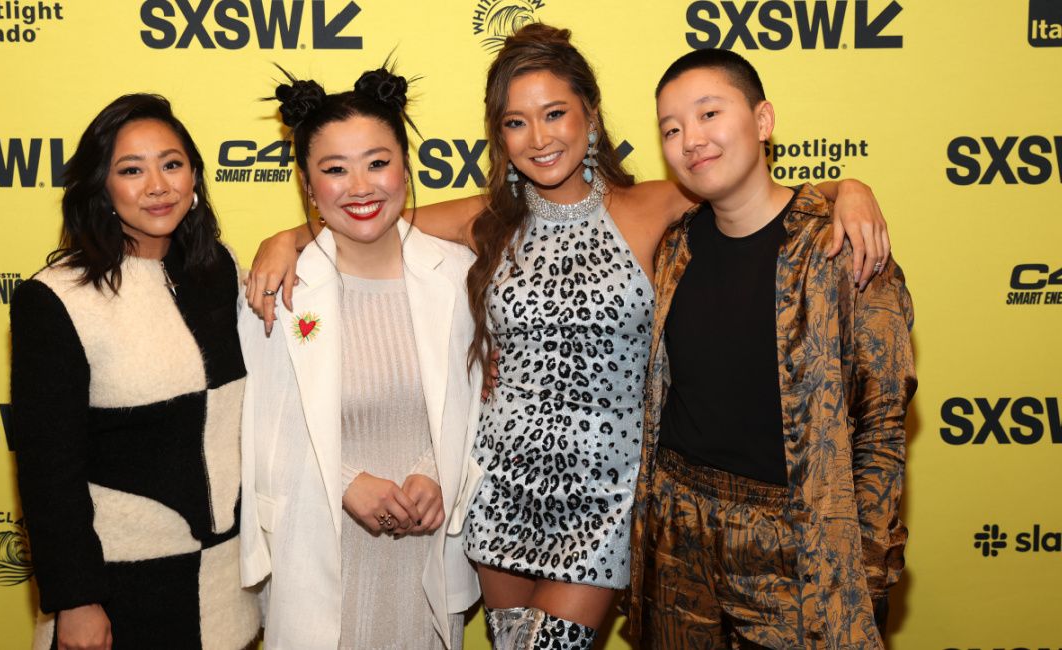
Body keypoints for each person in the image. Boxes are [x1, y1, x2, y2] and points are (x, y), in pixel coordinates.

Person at [245, 24, 892, 649]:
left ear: (591, 114)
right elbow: (375, 215)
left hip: (603, 498)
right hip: (499, 486)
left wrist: (846, 190)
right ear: (500, 136)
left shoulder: (652, 205)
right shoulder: (489, 218)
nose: (539, 137)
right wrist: (284, 238)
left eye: (555, 114)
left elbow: (750, 190)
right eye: (516, 122)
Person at [627, 48, 915, 648]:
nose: (691, 140)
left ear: (763, 122)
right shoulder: (672, 247)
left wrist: (860, 573)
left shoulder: (841, 250)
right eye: (672, 128)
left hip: (799, 545)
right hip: (676, 535)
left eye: (709, 114)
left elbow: (882, 428)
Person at [237, 66, 484, 650]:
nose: (360, 187)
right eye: (334, 169)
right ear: (306, 183)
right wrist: (345, 481)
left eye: (377, 162)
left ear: (406, 166)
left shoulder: (460, 278)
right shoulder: (276, 290)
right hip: (318, 548)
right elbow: (260, 436)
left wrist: (436, 470)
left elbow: (479, 410)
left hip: (427, 547)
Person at [10, 94, 261, 650]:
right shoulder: (56, 300)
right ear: (101, 186)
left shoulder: (218, 269)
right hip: (120, 585)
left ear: (194, 175)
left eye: (172, 164)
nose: (158, 185)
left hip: (225, 580)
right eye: (131, 170)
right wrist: (76, 599)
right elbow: (48, 468)